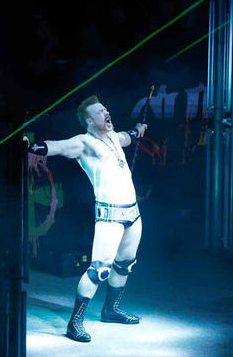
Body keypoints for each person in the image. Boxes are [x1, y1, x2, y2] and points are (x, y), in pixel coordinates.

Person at [24, 95, 147, 342]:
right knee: (99, 270)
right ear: (89, 121)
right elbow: (56, 146)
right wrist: (31, 147)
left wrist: (137, 130)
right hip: (109, 216)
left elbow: (128, 136)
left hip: (132, 213)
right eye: (100, 111)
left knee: (125, 264)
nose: (106, 112)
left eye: (106, 108)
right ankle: (75, 322)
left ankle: (110, 310)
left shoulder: (114, 137)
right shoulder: (83, 143)